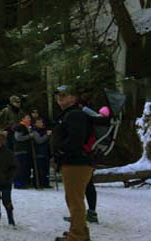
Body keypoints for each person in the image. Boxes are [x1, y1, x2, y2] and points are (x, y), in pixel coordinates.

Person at [51, 84, 94, 241]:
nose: (60, 98)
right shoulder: (70, 114)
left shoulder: (75, 115)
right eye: (58, 96)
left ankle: (77, 236)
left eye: (64, 95)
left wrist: (61, 151)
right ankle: (80, 231)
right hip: (75, 162)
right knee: (74, 199)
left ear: (73, 98)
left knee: (75, 200)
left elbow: (75, 139)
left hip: (76, 162)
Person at [0, 129, 18, 228]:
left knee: (7, 201)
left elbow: (14, 167)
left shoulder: (8, 153)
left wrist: (9, 178)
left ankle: (11, 219)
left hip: (5, 181)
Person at [12, 113, 33, 189]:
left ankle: (24, 182)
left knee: (25, 168)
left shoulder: (28, 127)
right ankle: (18, 183)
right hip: (20, 150)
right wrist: (29, 136)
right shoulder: (20, 127)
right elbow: (18, 138)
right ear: (22, 119)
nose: (29, 119)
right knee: (20, 168)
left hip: (26, 150)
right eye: (27, 118)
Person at [32, 117, 52, 189]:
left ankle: (45, 182)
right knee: (39, 169)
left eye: (41, 122)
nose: (41, 124)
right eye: (39, 122)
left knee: (45, 169)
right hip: (38, 152)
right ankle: (38, 183)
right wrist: (47, 135)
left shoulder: (44, 130)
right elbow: (39, 140)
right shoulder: (35, 131)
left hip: (45, 152)